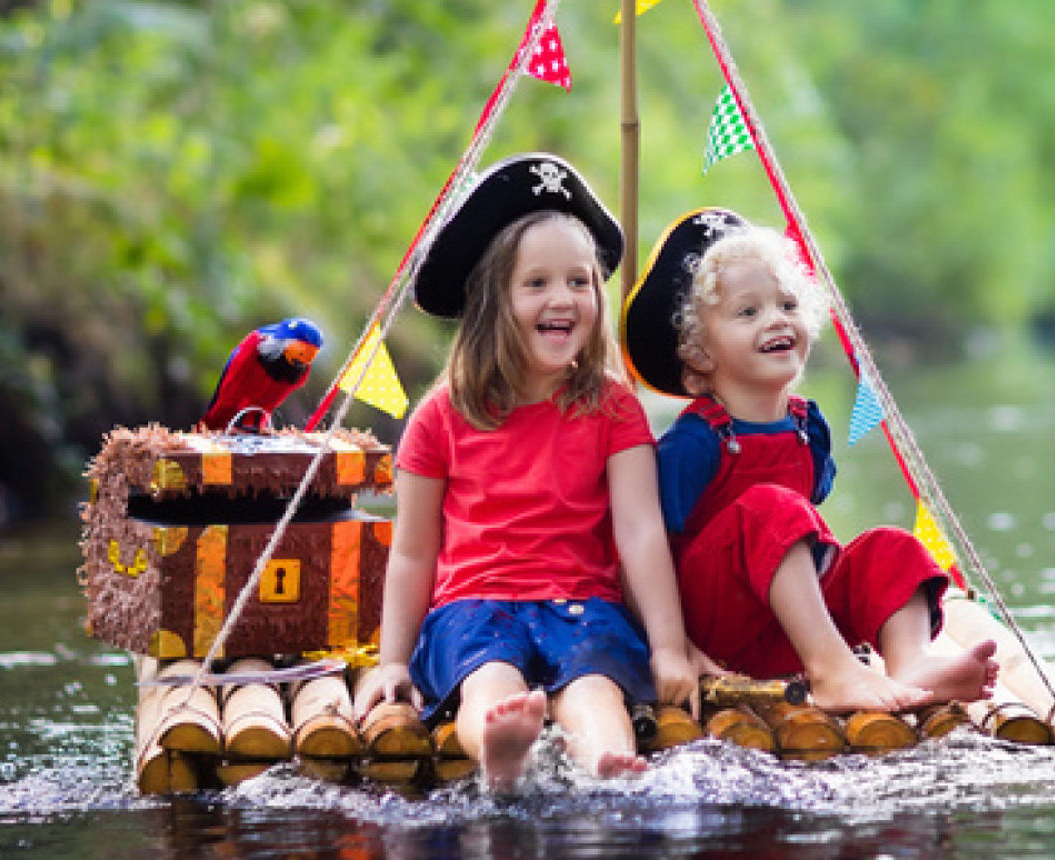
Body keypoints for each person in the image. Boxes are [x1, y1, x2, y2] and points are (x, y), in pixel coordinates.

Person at [352, 154, 698, 792]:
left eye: (578, 281)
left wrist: (669, 647)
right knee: (487, 681)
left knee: (595, 684)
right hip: (473, 606)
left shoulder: (613, 407)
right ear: (493, 302)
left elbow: (641, 532)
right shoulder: (442, 415)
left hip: (583, 605)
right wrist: (393, 659)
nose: (563, 298)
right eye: (536, 283)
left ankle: (603, 758)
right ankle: (498, 749)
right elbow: (413, 550)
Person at [619, 208, 998, 713]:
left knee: (891, 545)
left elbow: (807, 546)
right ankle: (832, 670)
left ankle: (910, 662)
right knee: (771, 509)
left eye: (787, 304)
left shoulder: (806, 428)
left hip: (785, 627)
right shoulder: (696, 441)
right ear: (699, 352)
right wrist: (675, 647)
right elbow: (640, 549)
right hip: (716, 629)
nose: (775, 319)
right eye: (747, 312)